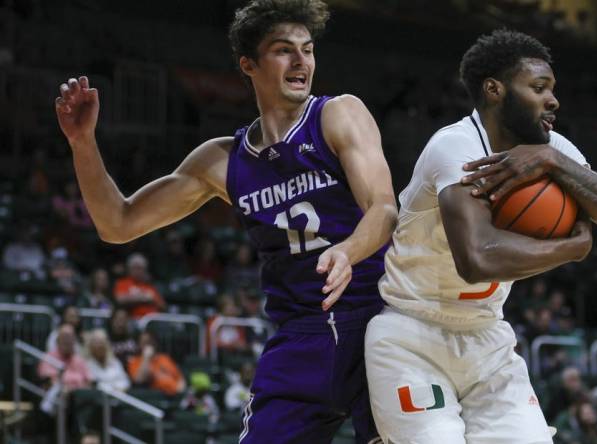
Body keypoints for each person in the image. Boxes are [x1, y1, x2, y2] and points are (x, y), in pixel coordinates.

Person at [55, 0, 396, 441]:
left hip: (375, 324)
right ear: (248, 64)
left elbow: (384, 209)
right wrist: (83, 144)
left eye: (308, 49)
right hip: (300, 341)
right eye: (283, 49)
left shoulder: (337, 114)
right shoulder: (222, 161)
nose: (301, 61)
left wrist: (348, 251)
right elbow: (117, 224)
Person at [365, 29, 597, 443]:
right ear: (494, 90)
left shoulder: (551, 147)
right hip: (412, 336)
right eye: (538, 88)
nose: (553, 100)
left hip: (488, 339)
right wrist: (570, 249)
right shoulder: (455, 146)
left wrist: (552, 160)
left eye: (553, 89)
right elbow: (477, 259)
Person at [127, 330, 185, 396]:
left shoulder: (164, 358)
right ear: (139, 344)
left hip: (176, 395)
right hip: (157, 398)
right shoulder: (135, 361)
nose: (148, 345)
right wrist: (146, 358)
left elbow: (179, 377)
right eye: (144, 342)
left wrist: (181, 389)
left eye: (150, 341)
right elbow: (139, 380)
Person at [112, 253, 165, 320]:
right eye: (134, 268)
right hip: (131, 320)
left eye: (140, 268)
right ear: (129, 269)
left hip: (151, 320)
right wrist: (143, 298)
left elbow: (162, 305)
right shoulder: (122, 283)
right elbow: (120, 299)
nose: (137, 271)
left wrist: (151, 300)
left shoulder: (149, 286)